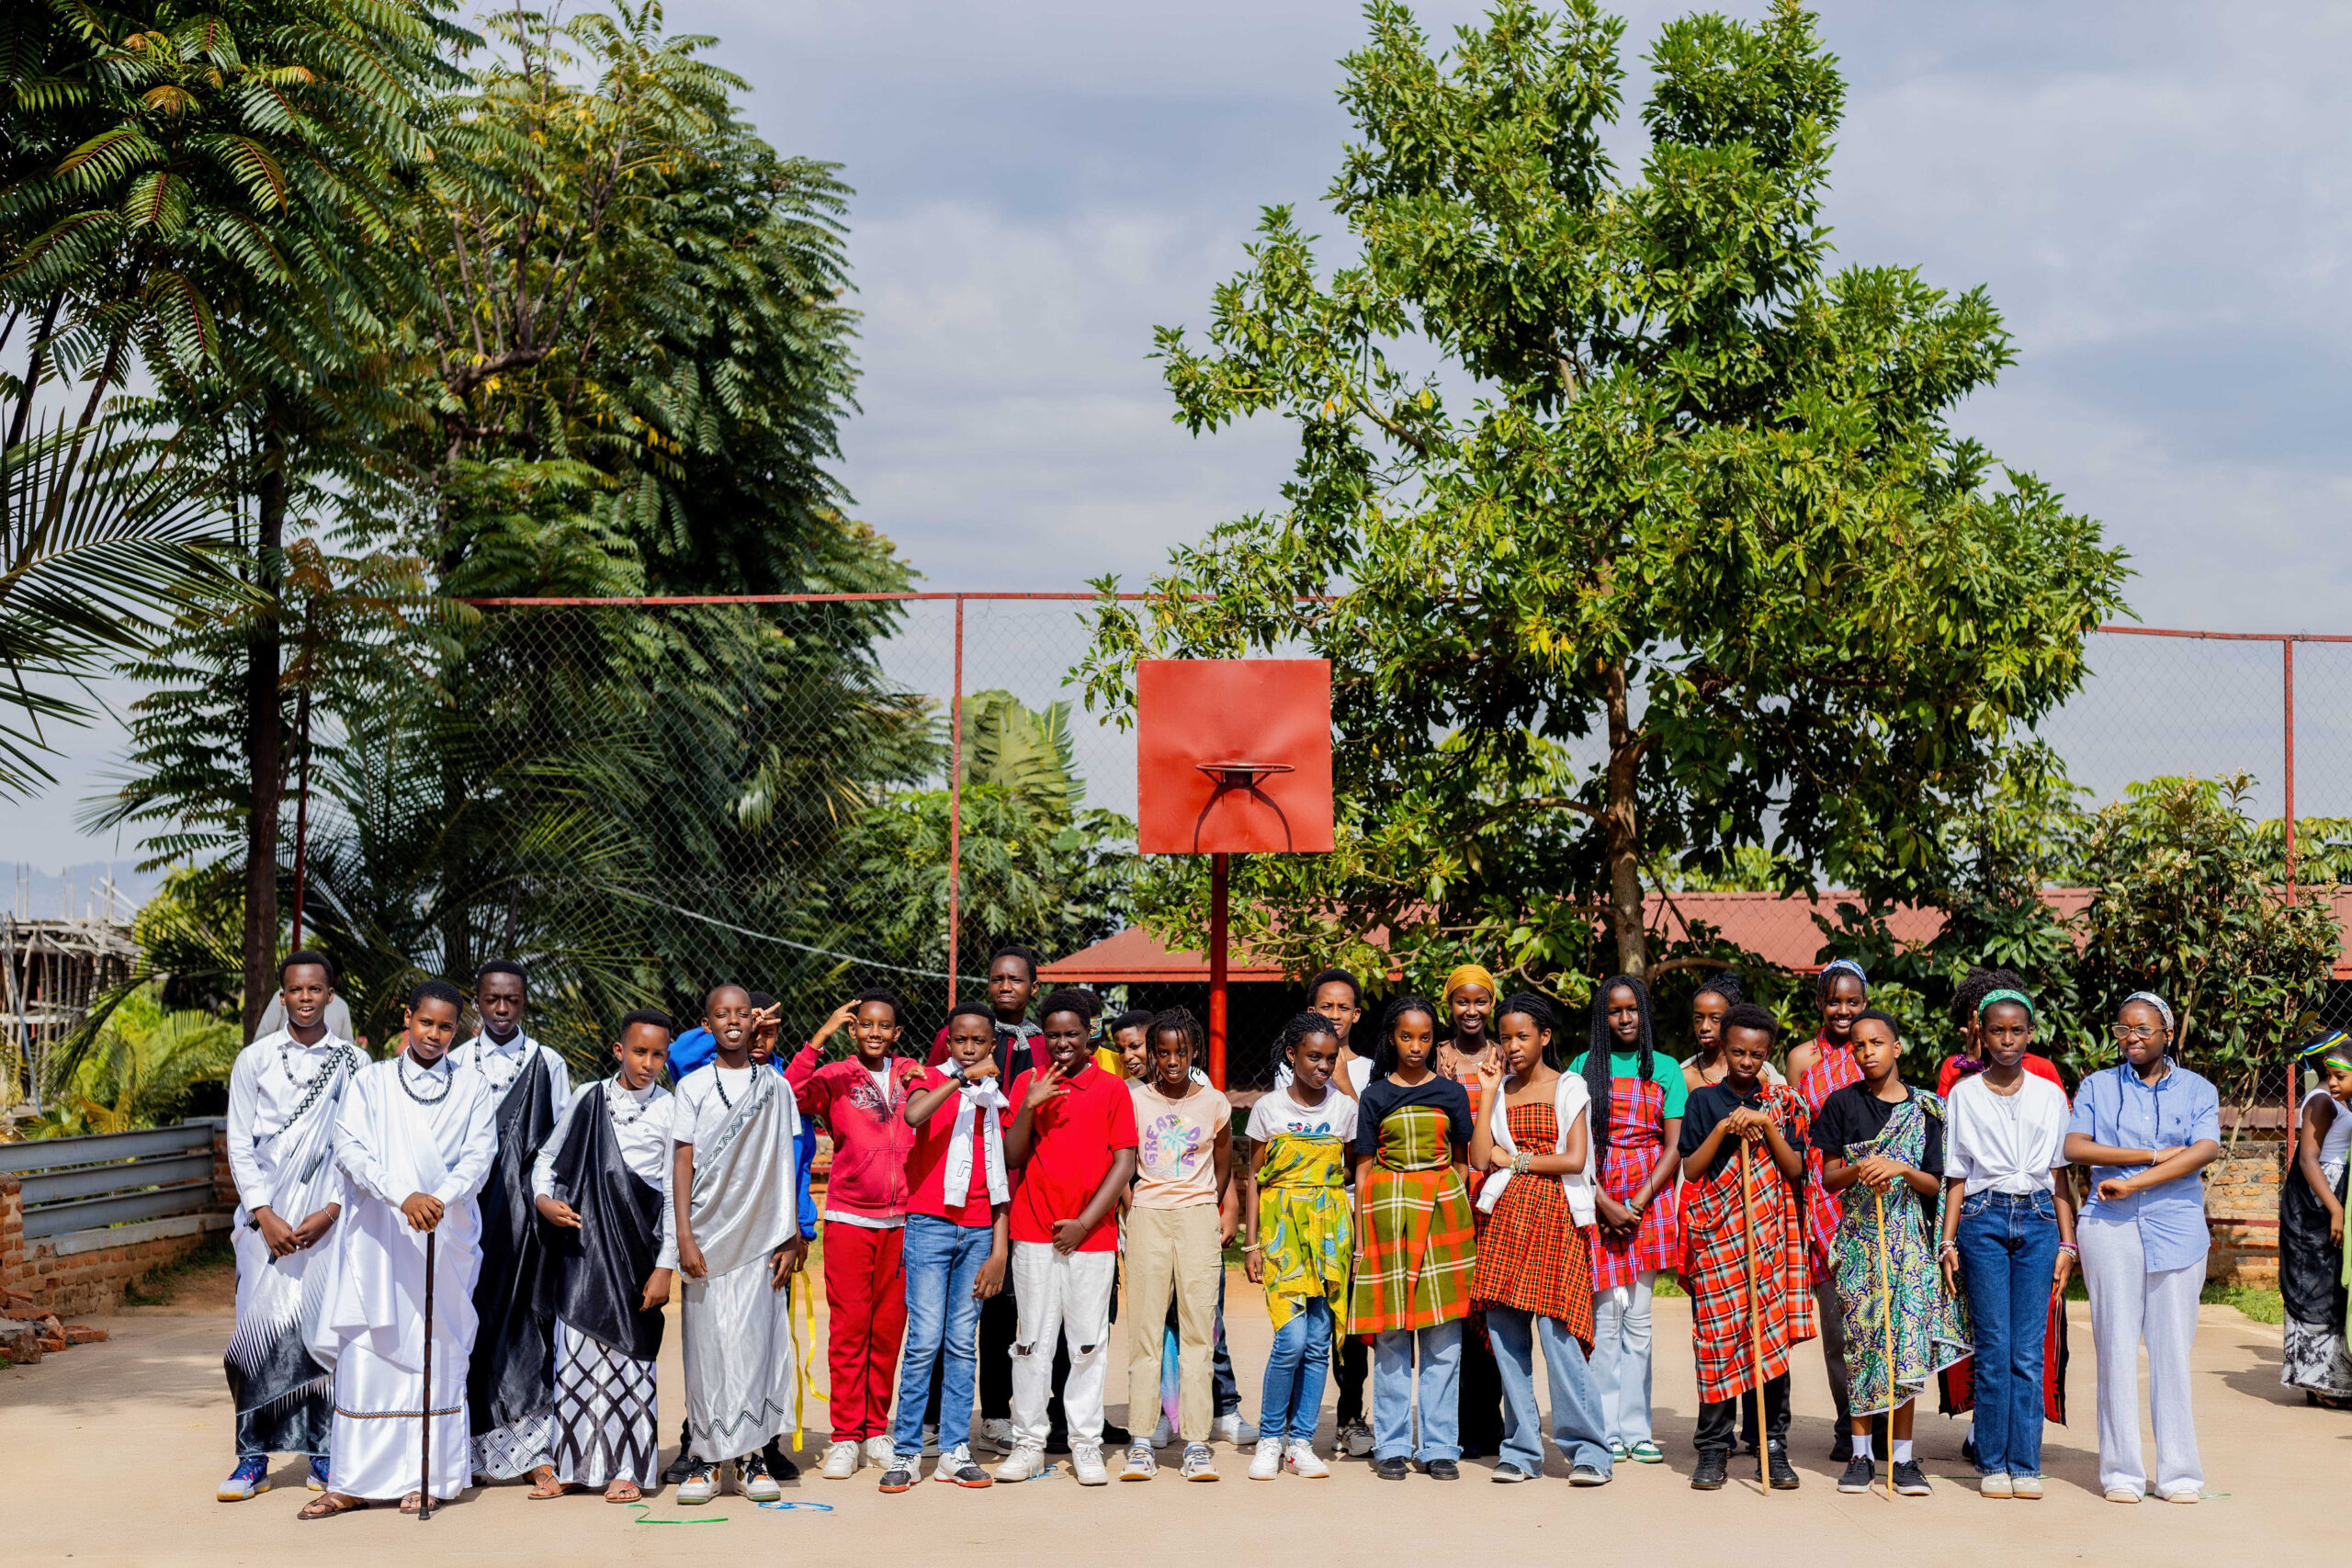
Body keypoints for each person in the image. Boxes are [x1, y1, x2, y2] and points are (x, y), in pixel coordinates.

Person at [298, 980, 496, 1518]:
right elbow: (350, 1149)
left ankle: (429, 1478)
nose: (434, 1034)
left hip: (443, 1236)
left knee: (435, 1351)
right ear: (408, 1018)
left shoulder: (472, 1086)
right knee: (370, 1350)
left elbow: (480, 1154)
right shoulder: (372, 1081)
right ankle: (353, 1481)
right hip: (380, 1236)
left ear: (459, 1030)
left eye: (446, 1027)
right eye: (426, 1022)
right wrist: (402, 1196)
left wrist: (439, 1199)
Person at [2064, 990, 2221, 1505]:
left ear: (2167, 1034)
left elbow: (2204, 1149)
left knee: (2172, 1352)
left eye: (2142, 1029)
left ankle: (2179, 1474)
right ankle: (2122, 1473)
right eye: (2122, 1029)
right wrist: (2152, 1155)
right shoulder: (2098, 1085)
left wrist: (2133, 1181)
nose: (2131, 1038)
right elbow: (2076, 1146)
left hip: (2176, 1227)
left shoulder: (2197, 1089)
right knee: (2115, 1349)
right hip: (2110, 1226)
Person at [220, 950, 364, 1502]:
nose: (305, 998)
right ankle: (250, 1459)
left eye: (315, 989)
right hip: (266, 1228)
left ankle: (324, 1454)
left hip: (327, 1224)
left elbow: (359, 1149)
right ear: (283, 998)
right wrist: (264, 1214)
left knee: (323, 1336)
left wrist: (330, 1213)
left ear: (331, 995)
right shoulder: (254, 1060)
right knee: (253, 1338)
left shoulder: (354, 1064)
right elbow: (239, 1144)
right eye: (296, 990)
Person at [657, 989, 817, 1484]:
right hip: (705, 1236)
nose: (733, 1021)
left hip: (761, 1237)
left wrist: (789, 1234)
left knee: (755, 1343)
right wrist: (683, 1235)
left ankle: (751, 1460)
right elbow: (681, 1161)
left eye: (742, 1013)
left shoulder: (777, 1087)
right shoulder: (693, 1086)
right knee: (707, 1346)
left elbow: (787, 1161)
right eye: (722, 1014)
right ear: (707, 1024)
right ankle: (705, 1460)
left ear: (755, 1022)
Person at [1815, 1009, 1969, 1497]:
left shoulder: (1926, 1110)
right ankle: (1860, 1456)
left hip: (1909, 1247)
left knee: (1905, 1349)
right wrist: (1864, 1166)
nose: (1867, 1052)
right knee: (1863, 1348)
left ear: (1897, 1047)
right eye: (1858, 1046)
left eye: (1877, 1043)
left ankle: (1902, 1459)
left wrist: (1899, 1167)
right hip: (1860, 1246)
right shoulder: (1842, 1103)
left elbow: (1935, 1183)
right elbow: (1829, 1178)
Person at [527, 1010, 679, 1503]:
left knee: (630, 1358)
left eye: (658, 1055)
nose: (648, 1063)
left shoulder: (671, 1110)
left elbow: (675, 1194)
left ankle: (629, 1469)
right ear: (619, 1050)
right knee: (576, 1355)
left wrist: (666, 1265)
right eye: (639, 1052)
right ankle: (574, 1465)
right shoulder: (588, 1097)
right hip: (583, 1252)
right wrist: (543, 1200)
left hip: (637, 1254)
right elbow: (547, 1159)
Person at [994, 989, 1139, 1485]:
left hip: (1091, 1236)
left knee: (1087, 1344)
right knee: (1032, 1341)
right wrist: (1029, 1106)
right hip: (1034, 1232)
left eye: (1072, 1034)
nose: (1062, 1043)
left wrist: (1084, 1223)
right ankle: (1028, 1442)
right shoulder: (1028, 1082)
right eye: (1053, 1035)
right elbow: (1012, 1156)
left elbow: (1124, 1163)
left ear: (1088, 1034)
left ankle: (1085, 1443)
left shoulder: (1112, 1088)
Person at [1468, 993, 1610, 1485]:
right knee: (1507, 1339)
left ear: (1545, 1037)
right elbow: (1481, 1157)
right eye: (1505, 1037)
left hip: (1556, 1218)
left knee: (1560, 1338)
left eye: (1522, 1036)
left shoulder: (1569, 1086)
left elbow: (1574, 1159)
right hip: (1506, 1220)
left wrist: (1518, 1160)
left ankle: (1590, 1453)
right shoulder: (1501, 1088)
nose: (1512, 1046)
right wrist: (1488, 1092)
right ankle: (1522, 1451)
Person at [1940, 987, 2075, 1501]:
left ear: (2030, 1033)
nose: (2007, 1040)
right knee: (1994, 1347)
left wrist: (2068, 1244)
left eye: (2017, 1030)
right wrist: (1947, 1242)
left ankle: (2025, 1464)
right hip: (1982, 1217)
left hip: (2039, 1220)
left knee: (2027, 1351)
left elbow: (2060, 1175)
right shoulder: (1963, 1094)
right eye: (1997, 1030)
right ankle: (1992, 1463)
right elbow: (1956, 1174)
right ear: (1981, 1033)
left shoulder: (2049, 1095)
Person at [786, 990, 922, 1481]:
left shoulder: (913, 1074)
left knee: (887, 1330)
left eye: (884, 1026)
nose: (875, 1033)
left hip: (904, 1221)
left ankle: (875, 1431)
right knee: (849, 1329)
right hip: (850, 1219)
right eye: (866, 1024)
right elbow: (791, 1093)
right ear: (853, 1029)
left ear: (897, 1033)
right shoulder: (836, 1076)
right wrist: (818, 1040)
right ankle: (845, 1435)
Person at [1678, 1002, 1813, 1492]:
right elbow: (1692, 1169)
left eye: (1757, 1054)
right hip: (1719, 1235)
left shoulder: (1782, 1103)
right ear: (1724, 1047)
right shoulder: (1703, 1101)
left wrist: (1767, 1126)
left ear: (1768, 1053)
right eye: (1738, 1052)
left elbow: (1796, 1169)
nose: (1746, 1061)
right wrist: (1724, 1128)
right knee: (1717, 1338)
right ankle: (1714, 1447)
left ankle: (1771, 1445)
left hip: (1768, 1235)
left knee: (1767, 1337)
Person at [879, 1002, 1013, 1492]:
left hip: (978, 1231)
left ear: (992, 1045)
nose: (970, 1048)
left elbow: (1002, 1177)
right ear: (949, 1042)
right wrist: (959, 1079)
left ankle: (956, 1450)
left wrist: (999, 1250)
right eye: (961, 1040)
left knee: (961, 1342)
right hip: (930, 1226)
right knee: (923, 1342)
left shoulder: (997, 1099)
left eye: (979, 1041)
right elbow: (915, 1115)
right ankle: (907, 1450)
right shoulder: (929, 1078)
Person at [447, 959, 571, 1489]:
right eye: (492, 1000)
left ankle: (534, 1450)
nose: (501, 1009)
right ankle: (468, 1451)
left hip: (528, 1224)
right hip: (467, 1216)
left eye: (512, 1000)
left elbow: (560, 1142)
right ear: (477, 1001)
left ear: (524, 1003)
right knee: (469, 1321)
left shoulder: (549, 1063)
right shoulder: (454, 1062)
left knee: (529, 1324)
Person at [1351, 996, 1476, 1481]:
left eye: (1425, 1037)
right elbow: (1363, 1170)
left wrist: (1451, 1209)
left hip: (1443, 1220)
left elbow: (1462, 1163)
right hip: (1387, 1221)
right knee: (1391, 1337)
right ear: (1392, 1038)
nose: (1416, 1046)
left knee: (1443, 1337)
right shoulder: (1375, 1096)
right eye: (1407, 1036)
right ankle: (1392, 1445)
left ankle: (1440, 1447)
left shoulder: (1451, 1094)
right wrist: (1362, 1239)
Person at [1566, 975, 1684, 1466]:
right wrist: (1602, 1202)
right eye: (1614, 1010)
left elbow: (1674, 1147)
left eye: (1632, 1008)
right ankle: (1604, 1429)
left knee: (1638, 1320)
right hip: (1595, 1194)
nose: (1625, 1018)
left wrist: (1635, 1203)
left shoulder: (1666, 1068)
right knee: (1604, 1320)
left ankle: (1637, 1430)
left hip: (1649, 1198)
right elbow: (1569, 1143)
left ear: (1644, 1012)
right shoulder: (1581, 1067)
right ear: (1603, 1016)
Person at [1119, 1007, 1234, 1483]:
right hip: (1147, 1217)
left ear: (1194, 1052)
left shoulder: (1214, 1102)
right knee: (1145, 1332)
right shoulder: (1133, 1101)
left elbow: (1223, 1163)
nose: (1171, 1061)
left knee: (1198, 1334)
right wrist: (1134, 1206)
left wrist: (1205, 1204)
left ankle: (1197, 1444)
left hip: (1197, 1219)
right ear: (1151, 1053)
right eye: (1162, 1052)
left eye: (1181, 1052)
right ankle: (1142, 1441)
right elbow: (1123, 1161)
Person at [1241, 1011, 1358, 1480]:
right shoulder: (1268, 1109)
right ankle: (1271, 1439)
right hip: (1282, 1235)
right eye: (1313, 1057)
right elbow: (1254, 1178)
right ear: (1292, 1055)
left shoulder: (1345, 1110)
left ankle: (1301, 1443)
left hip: (1331, 1236)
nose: (1323, 1067)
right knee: (1289, 1339)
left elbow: (1353, 1174)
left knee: (1317, 1342)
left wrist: (1354, 1242)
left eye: (1330, 1059)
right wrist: (1251, 1243)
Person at [1787, 956, 1871, 1459]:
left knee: (1875, 1316)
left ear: (1865, 1003)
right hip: (1821, 1195)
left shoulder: (1873, 1048)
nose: (1843, 1010)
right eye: (1834, 1001)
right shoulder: (1802, 1059)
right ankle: (1847, 1425)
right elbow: (1795, 1131)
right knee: (1837, 1323)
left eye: (1853, 1002)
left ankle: (1882, 1421)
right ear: (1820, 1003)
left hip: (1870, 1188)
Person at [1432, 964, 1506, 1458]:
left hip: (1497, 1193)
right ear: (1450, 1005)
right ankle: (1454, 1423)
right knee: (1456, 1309)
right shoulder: (1435, 1056)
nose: (1471, 1010)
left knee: (1492, 1307)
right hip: (1450, 1190)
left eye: (1480, 1001)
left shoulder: (1506, 1054)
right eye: (1462, 1001)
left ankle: (1489, 1421)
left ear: (1491, 1004)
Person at [1304, 967, 1376, 1459]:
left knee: (1352, 1319)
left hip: (1357, 1204)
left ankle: (1351, 1416)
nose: (1335, 1015)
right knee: (1312, 1317)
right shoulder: (1293, 1066)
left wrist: (1346, 1081)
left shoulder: (1370, 1068)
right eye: (1326, 1007)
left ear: (1356, 1014)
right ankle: (1298, 1420)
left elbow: (1370, 1133)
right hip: (1309, 1205)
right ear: (1312, 1011)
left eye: (1343, 1007)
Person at [2280, 1031, 2352, 1404]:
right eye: (2333, 1072)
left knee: (2329, 1282)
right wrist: (2335, 1208)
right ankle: (2318, 1382)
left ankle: (2329, 1379)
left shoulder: (2336, 1098)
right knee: (2316, 1283)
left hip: (2330, 1192)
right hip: (2317, 1198)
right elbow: (2308, 1158)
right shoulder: (2323, 1101)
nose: (2336, 1079)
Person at [1937, 967, 2067, 1098]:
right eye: (1973, 1016)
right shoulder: (1953, 1067)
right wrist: (1970, 1063)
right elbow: (1951, 1108)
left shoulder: (2041, 1068)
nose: (1981, 1024)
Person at [1679, 974, 1782, 1090]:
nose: (1705, 1027)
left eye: (1715, 1018)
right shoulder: (1685, 1077)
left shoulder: (1758, 1073)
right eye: (1698, 1018)